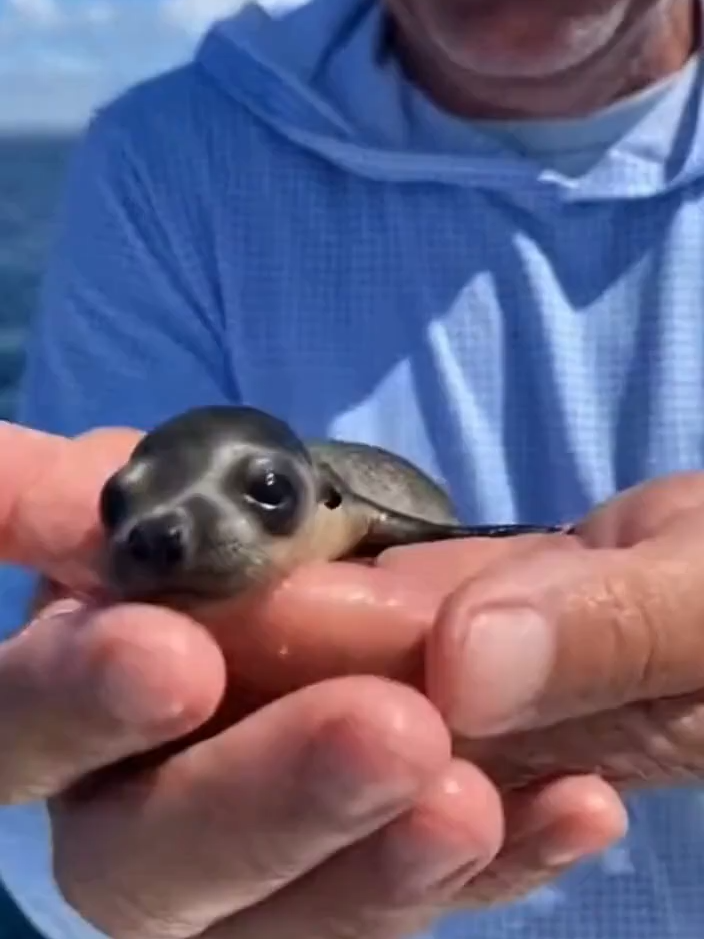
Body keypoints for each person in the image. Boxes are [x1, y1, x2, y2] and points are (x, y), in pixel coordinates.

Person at [1, 0, 704, 933]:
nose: (172, 530)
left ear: (330, 502)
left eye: (263, 495)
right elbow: (43, 774)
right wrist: (111, 878)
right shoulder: (169, 159)